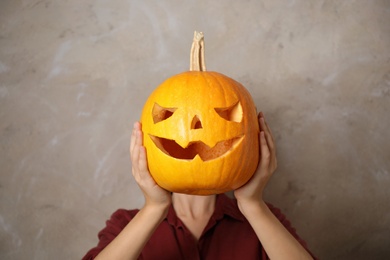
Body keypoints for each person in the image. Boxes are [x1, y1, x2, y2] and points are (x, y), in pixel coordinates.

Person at [83, 112, 315, 260]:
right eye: (169, 115)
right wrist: (154, 207)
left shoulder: (265, 219)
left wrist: (252, 203)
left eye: (224, 114)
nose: (196, 127)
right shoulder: (125, 224)